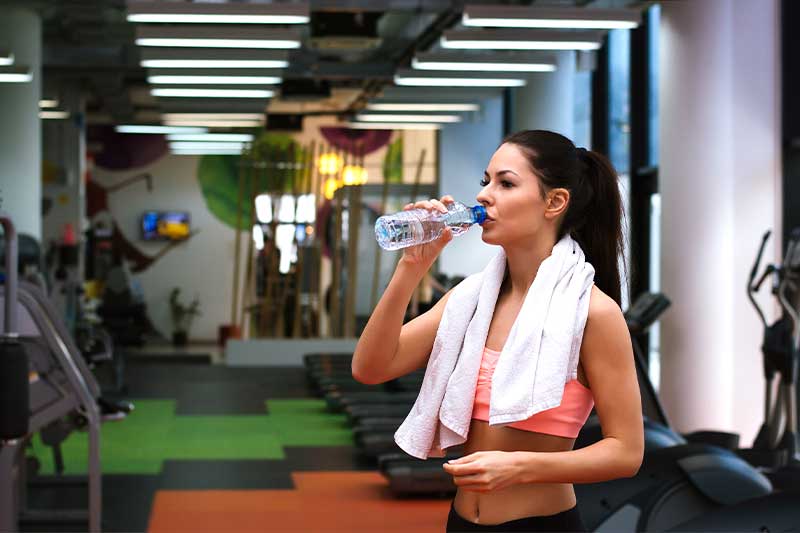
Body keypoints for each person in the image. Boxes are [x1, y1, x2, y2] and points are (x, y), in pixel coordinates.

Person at [352, 130, 644, 532]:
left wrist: (521, 467)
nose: (485, 195)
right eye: (485, 182)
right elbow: (370, 367)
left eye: (505, 183)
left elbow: (626, 453)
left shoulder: (593, 312)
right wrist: (411, 268)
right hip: (462, 522)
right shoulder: (471, 300)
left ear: (555, 202)